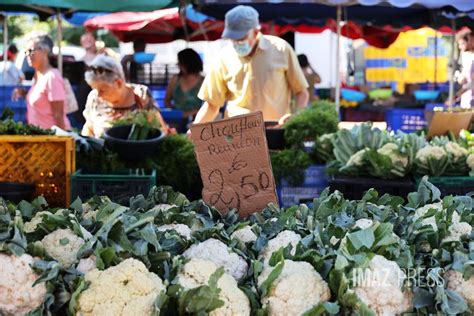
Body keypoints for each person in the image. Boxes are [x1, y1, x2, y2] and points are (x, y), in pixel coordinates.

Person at [193, 5, 309, 125]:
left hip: (275, 130)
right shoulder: (223, 57)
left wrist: (295, 119)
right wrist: (194, 129)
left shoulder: (281, 49)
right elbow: (212, 104)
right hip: (237, 133)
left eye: (241, 38)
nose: (237, 43)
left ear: (256, 31)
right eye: (233, 39)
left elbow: (301, 92)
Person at [81, 54, 171, 138]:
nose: (98, 94)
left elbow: (160, 129)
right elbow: (89, 127)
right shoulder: (93, 98)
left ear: (119, 83)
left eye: (102, 90)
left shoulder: (141, 95)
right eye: (94, 89)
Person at [12, 35, 70, 129]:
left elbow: (58, 116)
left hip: (51, 139)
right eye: (26, 52)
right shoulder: (37, 76)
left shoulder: (52, 77)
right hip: (41, 139)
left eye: (31, 51)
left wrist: (62, 142)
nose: (28, 55)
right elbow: (42, 98)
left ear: (45, 51)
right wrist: (24, 93)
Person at [164, 48, 204, 118]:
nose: (179, 66)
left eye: (180, 64)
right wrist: (175, 114)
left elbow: (210, 105)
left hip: (197, 121)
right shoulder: (175, 79)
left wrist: (194, 113)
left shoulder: (203, 82)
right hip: (177, 121)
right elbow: (167, 100)